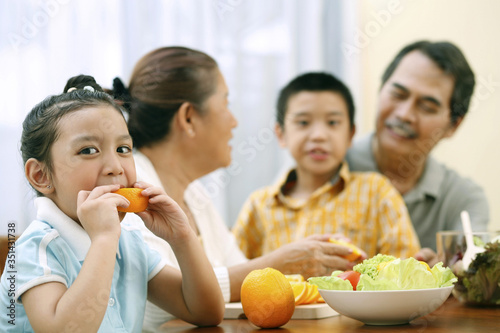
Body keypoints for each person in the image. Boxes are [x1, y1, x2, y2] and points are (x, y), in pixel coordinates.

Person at [112, 47, 359, 331]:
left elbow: (247, 282)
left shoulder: (195, 195)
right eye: (226, 103)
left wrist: (316, 268)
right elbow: (156, 307)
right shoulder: (132, 189)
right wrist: (280, 263)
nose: (234, 122)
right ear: (189, 118)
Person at [0, 75, 224, 332]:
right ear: (41, 176)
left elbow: (206, 311)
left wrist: (182, 237)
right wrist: (104, 240)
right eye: (88, 151)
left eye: (123, 149)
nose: (115, 167)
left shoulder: (129, 244)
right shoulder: (34, 251)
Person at [232, 72, 421, 261]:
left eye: (332, 123)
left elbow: (403, 268)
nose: (319, 135)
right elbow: (232, 274)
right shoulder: (259, 205)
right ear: (281, 134)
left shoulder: (376, 193)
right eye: (303, 122)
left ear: (350, 134)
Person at [345, 41, 490, 264]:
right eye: (398, 94)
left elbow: (473, 266)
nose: (404, 114)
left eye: (427, 107)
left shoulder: (463, 199)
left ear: (454, 125)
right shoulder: (327, 167)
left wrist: (450, 271)